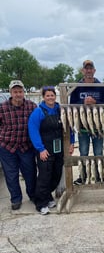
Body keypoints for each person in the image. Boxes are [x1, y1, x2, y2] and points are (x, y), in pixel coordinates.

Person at [28, 86, 74, 215]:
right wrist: (40, 149)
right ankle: (40, 203)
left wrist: (71, 143)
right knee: (44, 176)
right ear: (43, 97)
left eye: (52, 95)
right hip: (45, 149)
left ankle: (48, 197)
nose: (50, 98)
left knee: (56, 174)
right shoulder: (38, 112)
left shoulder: (61, 110)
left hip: (59, 148)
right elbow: (33, 130)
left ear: (55, 96)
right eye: (47, 95)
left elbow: (69, 127)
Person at [70, 60, 104, 185]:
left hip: (98, 125)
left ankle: (99, 176)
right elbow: (71, 105)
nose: (88, 71)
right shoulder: (76, 87)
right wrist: (83, 103)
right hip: (83, 125)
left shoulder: (101, 86)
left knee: (98, 153)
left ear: (94, 70)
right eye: (86, 68)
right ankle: (83, 176)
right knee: (83, 152)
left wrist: (95, 103)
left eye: (90, 68)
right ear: (83, 71)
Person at [0, 80, 37, 210]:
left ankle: (33, 195)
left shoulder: (32, 106)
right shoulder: (2, 107)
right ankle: (16, 199)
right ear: (10, 93)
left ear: (24, 92)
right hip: (7, 147)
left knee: (30, 173)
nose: (18, 94)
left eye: (20, 91)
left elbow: (38, 124)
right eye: (15, 92)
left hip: (26, 146)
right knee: (11, 175)